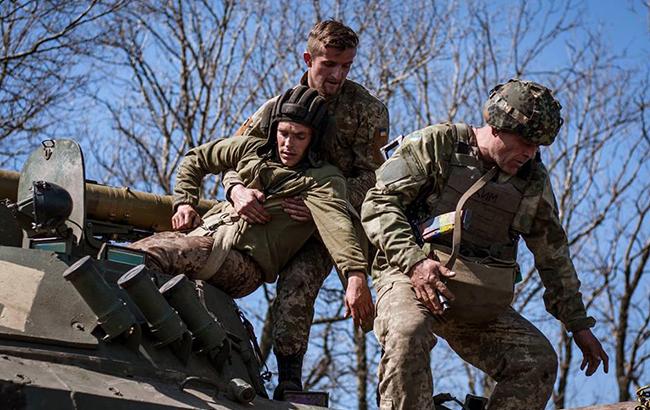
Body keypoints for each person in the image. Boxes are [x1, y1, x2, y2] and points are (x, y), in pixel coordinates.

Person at [361, 79, 609, 410]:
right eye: (524, 142)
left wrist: (578, 324)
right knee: (409, 333)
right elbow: (378, 204)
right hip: (410, 277)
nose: (530, 153)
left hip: (476, 297)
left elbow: (554, 255)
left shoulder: (532, 181)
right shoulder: (439, 144)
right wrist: (415, 262)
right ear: (495, 126)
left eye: (538, 146)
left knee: (536, 362)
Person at [129, 86, 373, 360]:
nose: (288, 144)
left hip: (243, 264)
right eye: (283, 133)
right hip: (204, 237)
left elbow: (338, 226)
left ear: (314, 140)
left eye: (299, 137)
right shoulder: (251, 150)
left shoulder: (322, 180)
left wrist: (355, 276)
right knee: (124, 257)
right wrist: (185, 201)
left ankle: (129, 326)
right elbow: (196, 158)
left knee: (153, 255)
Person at [221, 20, 389, 398]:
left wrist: (323, 203)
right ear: (308, 58)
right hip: (267, 217)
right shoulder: (278, 108)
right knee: (216, 268)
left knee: (297, 287)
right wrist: (236, 191)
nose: (338, 74)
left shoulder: (368, 111)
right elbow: (232, 156)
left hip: (323, 226)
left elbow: (376, 179)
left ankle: (289, 383)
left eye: (346, 66)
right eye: (329, 64)